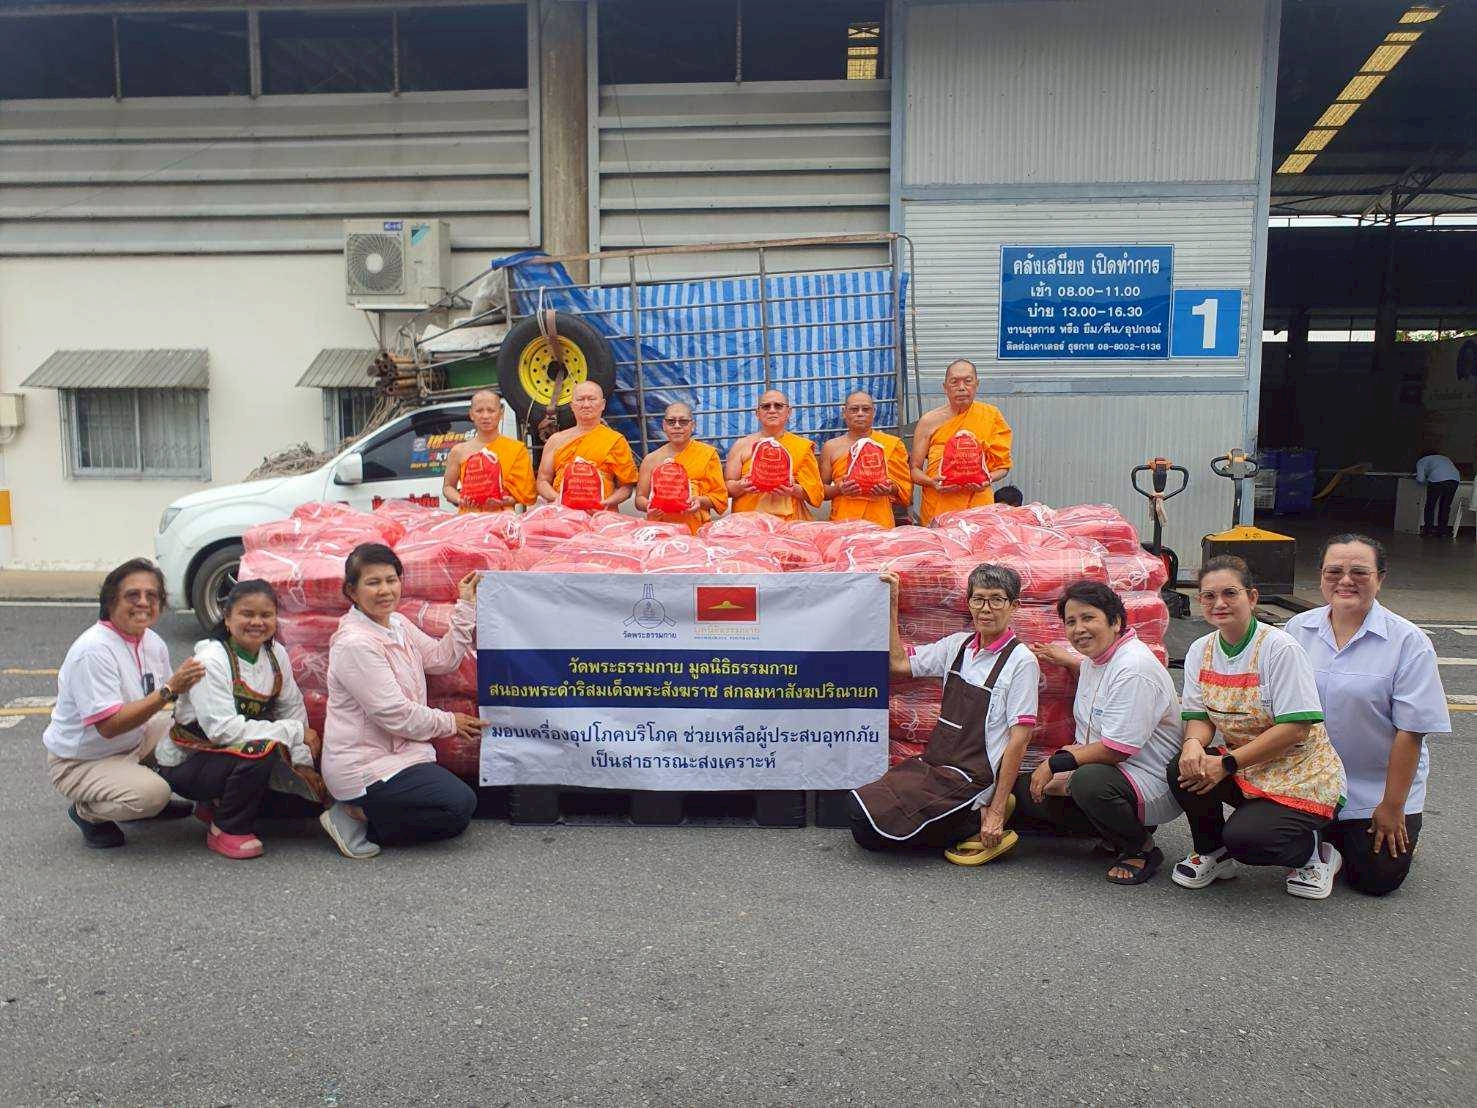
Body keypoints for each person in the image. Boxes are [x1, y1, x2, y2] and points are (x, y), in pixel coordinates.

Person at [1168, 556, 1348, 900]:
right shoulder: (1199, 650)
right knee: (1182, 767)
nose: (1219, 603)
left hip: (1300, 774)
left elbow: (1296, 728)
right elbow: (1199, 717)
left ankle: (1314, 852)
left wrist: (1226, 764)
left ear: (1251, 597)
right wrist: (1192, 745)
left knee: (1247, 841)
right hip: (1245, 766)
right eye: (1209, 596)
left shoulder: (1280, 648)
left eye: (1230, 593)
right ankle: (1213, 852)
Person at [1285, 534, 1449, 896]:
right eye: (1334, 572)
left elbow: (1411, 732)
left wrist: (1393, 806)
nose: (1345, 581)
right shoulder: (1297, 630)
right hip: (1310, 781)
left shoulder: (1408, 642)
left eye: (1359, 572)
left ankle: (1350, 838)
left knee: (1377, 879)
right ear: (1321, 576)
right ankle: (1326, 840)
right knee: (1256, 840)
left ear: (1380, 578)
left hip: (1375, 789)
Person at [850, 564, 1039, 864]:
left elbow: (1020, 740)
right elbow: (898, 664)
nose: (986, 608)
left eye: (996, 599)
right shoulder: (957, 646)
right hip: (935, 766)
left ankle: (981, 818)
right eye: (978, 599)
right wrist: (892, 601)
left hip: (973, 779)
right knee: (859, 811)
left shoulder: (1022, 662)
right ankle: (967, 822)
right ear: (969, 603)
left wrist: (997, 808)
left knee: (872, 835)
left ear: (1013, 605)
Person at [152, 579, 338, 860]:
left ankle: (217, 804)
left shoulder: (275, 654)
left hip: (235, 755)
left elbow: (291, 708)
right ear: (227, 619)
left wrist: (302, 764)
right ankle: (227, 827)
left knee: (310, 806)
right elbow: (222, 731)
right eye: (247, 614)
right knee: (259, 750)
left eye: (266, 615)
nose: (257, 622)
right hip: (191, 762)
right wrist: (295, 733)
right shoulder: (210, 661)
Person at [320, 543, 485, 857]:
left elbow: (442, 659)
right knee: (456, 807)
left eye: (391, 580)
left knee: (459, 807)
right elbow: (394, 713)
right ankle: (354, 815)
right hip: (364, 767)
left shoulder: (397, 624)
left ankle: (368, 812)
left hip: (401, 755)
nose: (385, 590)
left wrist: (465, 606)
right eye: (373, 582)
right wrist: (451, 722)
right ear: (352, 591)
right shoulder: (355, 644)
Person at [1024, 581, 1183, 885]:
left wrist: (1055, 764)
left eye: (1088, 618)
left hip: (1148, 778)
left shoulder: (1133, 667)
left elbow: (1116, 749)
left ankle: (1140, 848)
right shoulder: (1097, 659)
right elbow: (1096, 677)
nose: (1078, 629)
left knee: (1088, 782)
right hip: (1114, 770)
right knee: (1028, 793)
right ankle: (1115, 829)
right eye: (1071, 621)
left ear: (1116, 621)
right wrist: (1065, 660)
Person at [43, 559, 204, 849]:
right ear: (110, 601)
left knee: (196, 731)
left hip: (133, 742)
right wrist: (170, 689)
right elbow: (109, 726)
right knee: (152, 796)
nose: (143, 602)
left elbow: (174, 700)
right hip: (83, 761)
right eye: (132, 595)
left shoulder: (152, 641)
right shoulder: (93, 650)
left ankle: (141, 793)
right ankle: (88, 812)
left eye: (152, 595)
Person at [910, 359, 1013, 525]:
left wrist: (988, 479)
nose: (961, 387)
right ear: (945, 387)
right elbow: (914, 470)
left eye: (968, 381)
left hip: (978, 506)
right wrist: (932, 482)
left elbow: (1003, 467)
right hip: (938, 506)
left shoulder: (991, 416)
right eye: (954, 382)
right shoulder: (928, 421)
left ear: (977, 385)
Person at [535, 382, 639, 511]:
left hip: (601, 514)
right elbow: (542, 481)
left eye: (591, 399)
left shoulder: (615, 440)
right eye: (580, 400)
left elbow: (626, 486)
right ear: (572, 406)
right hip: (563, 513)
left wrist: (605, 503)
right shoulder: (556, 440)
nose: (586, 405)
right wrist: (560, 500)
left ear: (603, 404)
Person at [724, 390, 824, 520]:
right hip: (749, 522)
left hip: (789, 523)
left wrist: (793, 489)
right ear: (757, 413)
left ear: (789, 412)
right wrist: (741, 486)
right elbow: (727, 487)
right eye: (766, 406)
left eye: (778, 406)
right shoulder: (741, 445)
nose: (772, 410)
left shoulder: (802, 446)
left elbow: (816, 494)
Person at [819, 391, 913, 528]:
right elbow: (820, 491)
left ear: (874, 412)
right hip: (844, 523)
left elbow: (905, 491)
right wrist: (839, 489)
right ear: (844, 412)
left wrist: (889, 489)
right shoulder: (831, 447)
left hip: (880, 522)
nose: (860, 413)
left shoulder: (891, 444)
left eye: (866, 409)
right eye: (854, 409)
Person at [634, 401, 729, 534]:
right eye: (671, 422)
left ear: (692, 425)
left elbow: (720, 497)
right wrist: (650, 506)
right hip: (661, 529)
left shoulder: (708, 454)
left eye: (683, 422)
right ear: (664, 425)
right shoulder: (651, 459)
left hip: (695, 530)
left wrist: (699, 501)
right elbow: (639, 498)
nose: (677, 426)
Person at [442, 390, 535, 513]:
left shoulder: (517, 449)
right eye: (479, 411)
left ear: (501, 413)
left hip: (502, 518)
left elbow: (526, 492)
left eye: (491, 410)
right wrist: (460, 499)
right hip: (470, 518)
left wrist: (504, 501)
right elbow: (448, 487)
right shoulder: (459, 451)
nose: (485, 416)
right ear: (471, 414)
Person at [1413, 450, 1462, 536]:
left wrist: (1419, 477)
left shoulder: (1421, 461)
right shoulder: (1445, 458)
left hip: (1437, 479)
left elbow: (1420, 479)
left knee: (1430, 505)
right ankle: (1442, 531)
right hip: (1455, 479)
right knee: (1445, 506)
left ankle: (1428, 530)